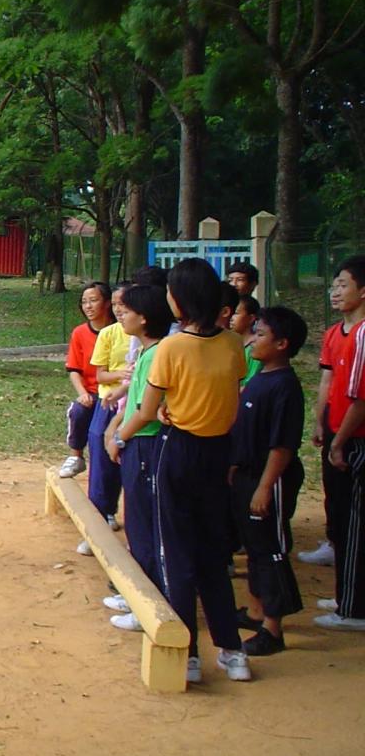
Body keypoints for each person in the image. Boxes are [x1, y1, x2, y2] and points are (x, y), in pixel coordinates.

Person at [115, 258, 251, 683]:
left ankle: (187, 653)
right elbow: (231, 386)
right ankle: (232, 651)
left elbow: (148, 410)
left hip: (178, 453)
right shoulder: (231, 342)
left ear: (179, 300)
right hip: (218, 453)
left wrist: (119, 435)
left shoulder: (172, 347)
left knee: (175, 551)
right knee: (213, 550)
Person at [230, 306, 308, 656]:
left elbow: (282, 445)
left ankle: (273, 629)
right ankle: (256, 611)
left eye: (261, 335)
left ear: (282, 344)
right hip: (247, 473)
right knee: (255, 547)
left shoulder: (285, 386)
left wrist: (264, 486)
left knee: (270, 550)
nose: (254, 340)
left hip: (269, 478)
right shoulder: (260, 377)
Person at [101, 284, 176, 632]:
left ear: (144, 318)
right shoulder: (148, 352)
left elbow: (147, 411)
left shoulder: (158, 353)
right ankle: (138, 593)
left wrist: (119, 435)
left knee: (144, 527)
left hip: (145, 446)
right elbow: (134, 399)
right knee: (136, 524)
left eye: (126, 310)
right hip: (137, 443)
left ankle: (149, 603)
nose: (120, 314)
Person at [313, 256, 365, 631]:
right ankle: (345, 593)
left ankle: (354, 608)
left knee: (356, 523)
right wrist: (320, 424)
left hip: (355, 438)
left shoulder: (364, 334)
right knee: (341, 514)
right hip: (334, 433)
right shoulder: (335, 333)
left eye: (344, 284)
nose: (335, 291)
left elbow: (361, 398)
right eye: (334, 285)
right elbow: (327, 383)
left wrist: (340, 441)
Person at [81, 282, 131, 551]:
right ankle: (100, 518)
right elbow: (100, 375)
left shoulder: (150, 337)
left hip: (137, 404)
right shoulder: (110, 334)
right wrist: (122, 377)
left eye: (124, 304)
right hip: (109, 400)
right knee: (100, 442)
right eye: (115, 305)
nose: (119, 310)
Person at [58, 282, 113, 480]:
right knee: (78, 410)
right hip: (91, 392)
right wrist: (82, 393)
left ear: (107, 303)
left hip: (114, 392)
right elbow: (73, 369)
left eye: (93, 301)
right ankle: (76, 456)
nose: (88, 306)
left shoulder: (120, 330)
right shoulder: (79, 333)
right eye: (84, 302)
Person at [231, 295, 262, 385]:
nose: (231, 318)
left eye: (236, 313)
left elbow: (248, 385)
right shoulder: (230, 343)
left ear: (251, 318)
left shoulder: (255, 348)